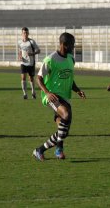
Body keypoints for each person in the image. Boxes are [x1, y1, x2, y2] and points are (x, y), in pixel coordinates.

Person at [32, 32, 86, 161]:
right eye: (72, 45)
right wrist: (47, 93)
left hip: (65, 97)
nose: (73, 47)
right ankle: (58, 149)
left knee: (64, 131)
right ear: (63, 45)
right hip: (53, 96)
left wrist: (77, 90)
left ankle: (40, 150)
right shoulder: (50, 59)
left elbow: (69, 78)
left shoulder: (71, 59)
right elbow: (38, 78)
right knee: (66, 115)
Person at [18, 27, 41, 99]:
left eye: (26, 33)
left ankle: (33, 92)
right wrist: (19, 56)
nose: (25, 34)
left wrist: (32, 54)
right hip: (23, 63)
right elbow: (20, 51)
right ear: (22, 34)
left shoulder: (31, 42)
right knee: (23, 77)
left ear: (28, 33)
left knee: (31, 78)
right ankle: (25, 94)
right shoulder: (20, 42)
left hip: (31, 63)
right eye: (24, 33)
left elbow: (38, 50)